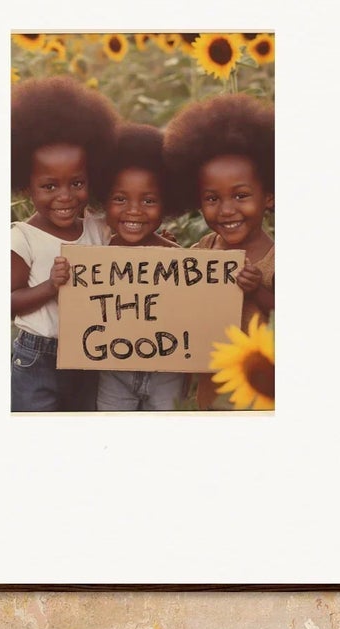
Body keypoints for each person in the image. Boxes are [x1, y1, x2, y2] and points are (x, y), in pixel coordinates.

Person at [9, 76, 117, 411]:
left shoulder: (97, 230)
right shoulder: (22, 238)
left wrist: (159, 244)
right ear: (27, 187)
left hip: (90, 354)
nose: (66, 196)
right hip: (36, 360)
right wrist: (50, 286)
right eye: (49, 186)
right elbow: (8, 301)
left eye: (77, 183)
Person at [164, 93, 274, 408]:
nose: (226, 210)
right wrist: (166, 253)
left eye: (240, 196)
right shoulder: (203, 249)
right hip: (211, 391)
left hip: (262, 394)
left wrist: (257, 292)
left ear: (268, 197)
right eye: (212, 199)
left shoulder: (278, 261)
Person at [93, 123, 182, 412]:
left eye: (149, 200)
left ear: (167, 204)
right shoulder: (96, 255)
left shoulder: (177, 257)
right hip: (113, 371)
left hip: (167, 371)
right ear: (103, 200)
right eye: (120, 199)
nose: (134, 210)